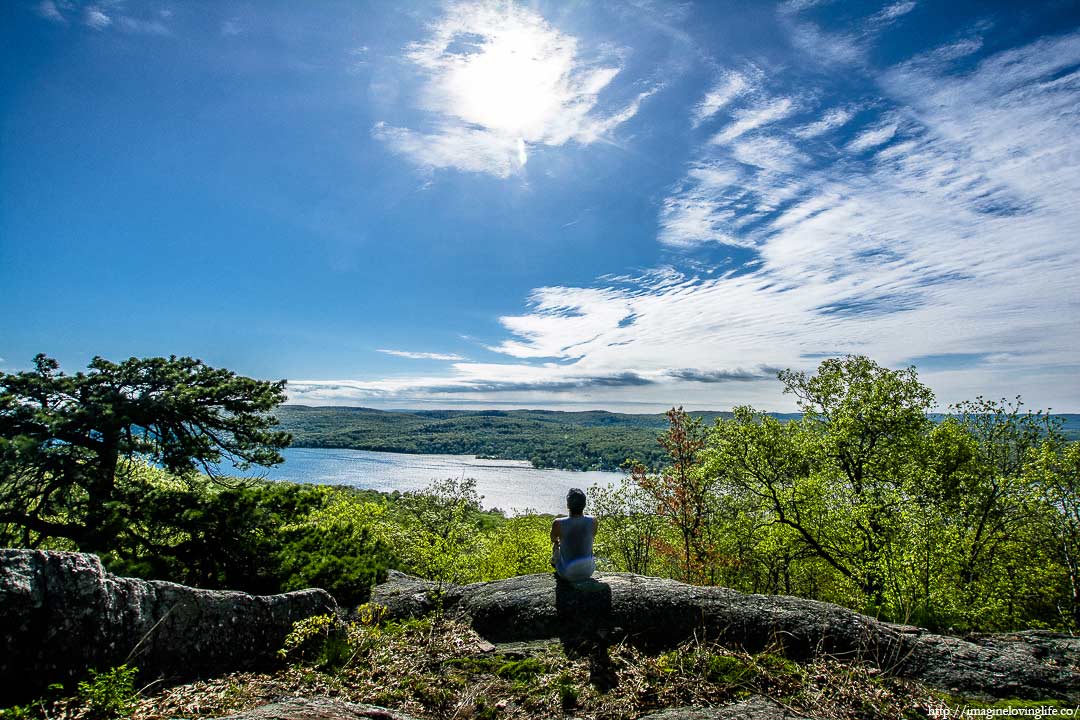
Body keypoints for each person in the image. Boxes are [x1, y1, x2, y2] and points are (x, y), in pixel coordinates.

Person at [550, 487, 597, 582]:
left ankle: (559, 565)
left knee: (555, 544)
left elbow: (553, 538)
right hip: (588, 571)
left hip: (567, 574)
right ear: (584, 505)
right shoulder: (593, 520)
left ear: (568, 505)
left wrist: (558, 541)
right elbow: (593, 535)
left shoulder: (558, 523)